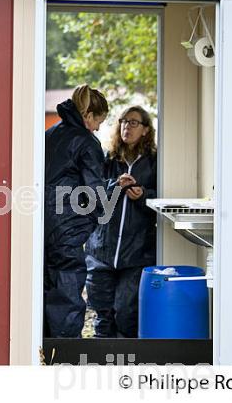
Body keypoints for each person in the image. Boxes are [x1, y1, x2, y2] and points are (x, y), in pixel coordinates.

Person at [85, 105, 157, 338]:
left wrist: (143, 194)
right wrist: (114, 185)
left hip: (136, 254)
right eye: (123, 122)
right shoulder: (108, 158)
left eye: (134, 122)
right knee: (102, 314)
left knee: (126, 313)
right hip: (101, 251)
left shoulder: (154, 162)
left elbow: (161, 197)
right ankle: (98, 367)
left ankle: (126, 367)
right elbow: (90, 193)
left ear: (145, 130)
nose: (127, 126)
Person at [44, 84, 109, 338]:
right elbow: (94, 190)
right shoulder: (86, 142)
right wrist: (99, 216)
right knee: (68, 290)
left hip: (42, 223)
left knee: (46, 287)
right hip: (69, 226)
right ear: (89, 115)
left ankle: (43, 350)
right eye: (98, 121)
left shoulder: (50, 134)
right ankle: (65, 354)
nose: (98, 128)